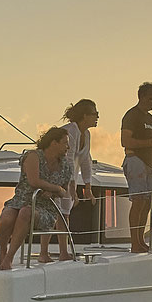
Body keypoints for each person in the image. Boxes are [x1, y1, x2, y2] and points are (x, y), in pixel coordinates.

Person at [0, 126, 73, 270]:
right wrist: (54, 188)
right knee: (6, 218)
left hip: (45, 208)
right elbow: (34, 181)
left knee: (26, 212)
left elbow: (64, 192)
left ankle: (9, 258)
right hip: (20, 200)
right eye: (65, 143)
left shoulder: (65, 167)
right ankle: (3, 251)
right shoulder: (33, 156)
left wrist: (54, 192)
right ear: (53, 143)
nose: (68, 147)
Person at [119, 81, 152, 253]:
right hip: (135, 161)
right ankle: (135, 243)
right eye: (151, 99)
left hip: (150, 165)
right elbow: (125, 141)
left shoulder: (151, 119)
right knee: (138, 202)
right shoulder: (132, 115)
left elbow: (150, 144)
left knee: (146, 204)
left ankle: (140, 241)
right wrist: (151, 142)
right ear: (141, 97)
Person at [62, 98, 99, 250]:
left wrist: (88, 188)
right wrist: (72, 189)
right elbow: (68, 160)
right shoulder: (71, 131)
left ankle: (64, 249)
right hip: (60, 178)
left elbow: (85, 161)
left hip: (70, 180)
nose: (97, 117)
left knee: (65, 214)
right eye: (95, 113)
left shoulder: (87, 134)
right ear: (85, 116)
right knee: (62, 214)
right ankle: (61, 250)